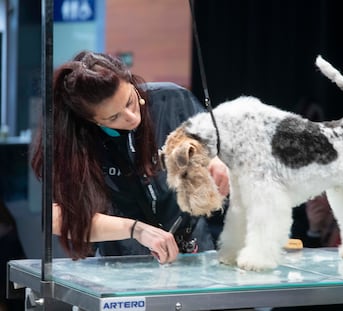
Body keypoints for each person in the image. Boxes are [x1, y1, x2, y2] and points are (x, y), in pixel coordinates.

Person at [30, 51, 229, 264]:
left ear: (130, 80)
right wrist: (135, 229)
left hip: (194, 253)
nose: (131, 117)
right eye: (113, 117)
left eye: (129, 101)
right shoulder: (77, 142)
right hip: (121, 262)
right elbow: (57, 218)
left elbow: (212, 147)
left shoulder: (173, 100)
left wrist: (216, 161)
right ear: (92, 120)